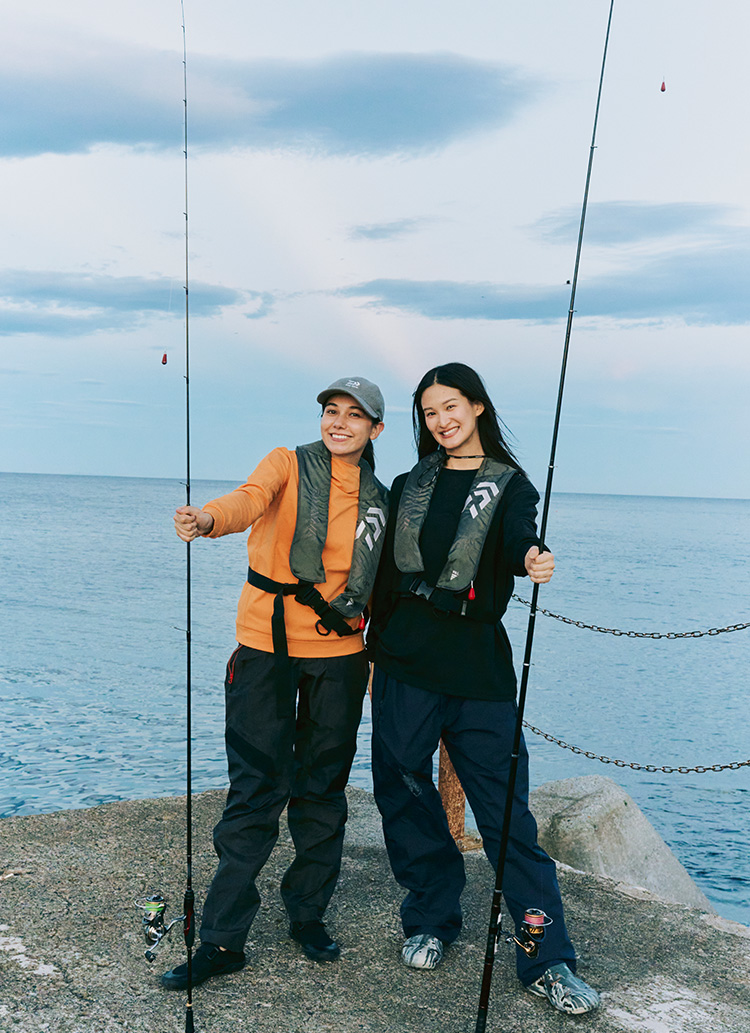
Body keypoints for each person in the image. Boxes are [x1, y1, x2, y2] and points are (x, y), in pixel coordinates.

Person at [367, 363, 600, 1016]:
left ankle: (546, 957)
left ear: (476, 407)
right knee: (403, 792)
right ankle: (432, 916)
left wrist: (533, 558)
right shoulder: (408, 482)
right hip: (404, 666)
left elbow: (524, 535)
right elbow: (384, 577)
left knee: (507, 821)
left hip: (479, 673)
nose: (441, 420)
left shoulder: (509, 484)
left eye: (451, 407)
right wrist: (370, 655)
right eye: (429, 412)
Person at [162, 377, 387, 990]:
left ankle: (307, 915)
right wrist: (207, 518)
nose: (339, 423)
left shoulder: (381, 499)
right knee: (255, 787)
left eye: (355, 416)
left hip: (341, 656)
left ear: (376, 430)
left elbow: (385, 588)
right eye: (331, 411)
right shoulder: (286, 464)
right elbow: (247, 499)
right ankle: (222, 939)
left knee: (321, 789)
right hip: (264, 648)